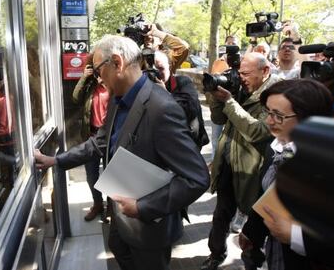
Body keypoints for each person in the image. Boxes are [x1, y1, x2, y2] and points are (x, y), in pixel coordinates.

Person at [35, 35, 210, 270]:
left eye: (98, 70)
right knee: (117, 247)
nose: (97, 77)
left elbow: (197, 178)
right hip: (121, 217)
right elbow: (99, 142)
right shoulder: (118, 99)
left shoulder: (162, 109)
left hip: (149, 229)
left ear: (117, 62)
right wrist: (55, 160)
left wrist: (142, 208)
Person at [239, 79, 334, 270]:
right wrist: (252, 231)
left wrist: (295, 236)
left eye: (278, 115)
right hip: (277, 252)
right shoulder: (274, 147)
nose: (268, 121)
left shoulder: (331, 165)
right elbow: (266, 195)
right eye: (268, 112)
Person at [201, 53, 281, 270]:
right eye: (240, 73)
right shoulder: (241, 88)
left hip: (252, 170)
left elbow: (259, 131)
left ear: (265, 72)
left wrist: (229, 101)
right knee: (220, 215)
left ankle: (251, 264)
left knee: (254, 225)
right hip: (228, 163)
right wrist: (215, 97)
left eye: (246, 73)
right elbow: (218, 119)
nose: (241, 77)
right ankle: (216, 254)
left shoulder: (275, 94)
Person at [72, 54, 110, 221]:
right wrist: (84, 78)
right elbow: (75, 98)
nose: (98, 71)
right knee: (91, 175)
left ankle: (113, 207)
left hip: (110, 137)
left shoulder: (115, 85)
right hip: (92, 136)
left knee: (112, 175)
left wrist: (108, 84)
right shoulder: (89, 86)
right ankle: (97, 203)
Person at [154, 50, 209, 150]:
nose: (157, 73)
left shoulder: (183, 82)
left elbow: (190, 109)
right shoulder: (148, 86)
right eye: (154, 69)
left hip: (189, 143)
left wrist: (165, 93)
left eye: (161, 68)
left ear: (170, 67)